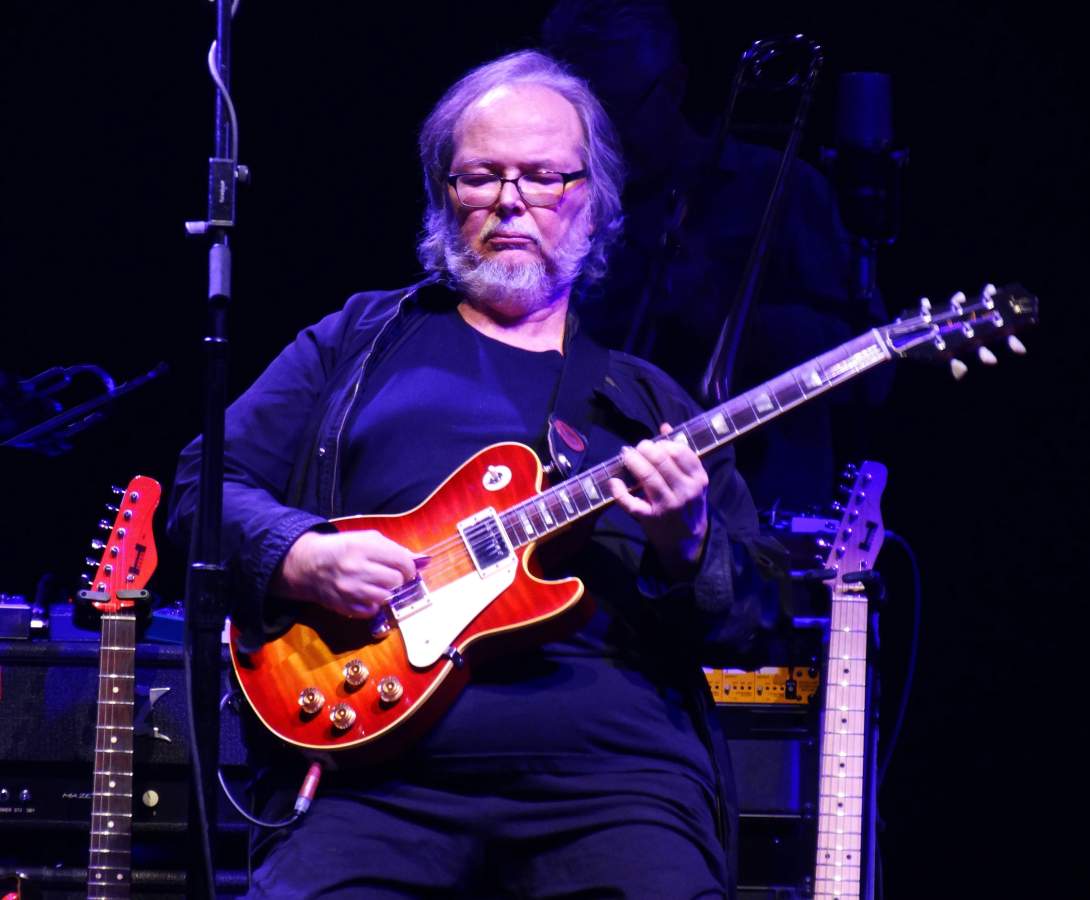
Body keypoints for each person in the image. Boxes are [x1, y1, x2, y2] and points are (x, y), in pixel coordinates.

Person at [169, 50, 782, 898]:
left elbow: (752, 622)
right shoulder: (359, 340)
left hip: (613, 783)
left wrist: (689, 541)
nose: (510, 203)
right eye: (480, 177)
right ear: (442, 195)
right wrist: (302, 555)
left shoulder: (647, 403)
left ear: (596, 202)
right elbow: (206, 482)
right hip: (374, 778)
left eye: (544, 178)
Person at [541, 0, 892, 511]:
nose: (596, 141)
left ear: (675, 88)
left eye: (613, 115)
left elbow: (872, 374)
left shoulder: (778, 187)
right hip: (591, 504)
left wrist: (722, 314)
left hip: (753, 509)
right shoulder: (561, 196)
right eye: (576, 120)